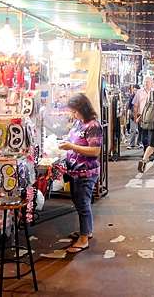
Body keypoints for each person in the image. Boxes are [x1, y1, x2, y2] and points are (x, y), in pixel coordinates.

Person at [59, 93, 102, 254]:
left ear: (83, 108)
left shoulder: (93, 126)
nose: (73, 114)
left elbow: (95, 150)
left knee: (83, 204)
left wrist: (72, 147)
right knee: (79, 203)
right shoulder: (79, 123)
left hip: (86, 172)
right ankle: (87, 231)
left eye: (75, 111)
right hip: (75, 170)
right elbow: (74, 140)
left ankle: (83, 239)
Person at [133, 76, 154, 151]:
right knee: (143, 134)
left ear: (151, 83)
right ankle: (146, 150)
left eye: (148, 82)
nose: (146, 83)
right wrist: (135, 118)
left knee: (151, 134)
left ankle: (150, 151)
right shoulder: (139, 92)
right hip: (141, 116)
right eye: (145, 82)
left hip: (152, 117)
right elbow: (135, 106)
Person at [126, 85, 140, 149]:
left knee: (141, 130)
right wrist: (128, 114)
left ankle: (139, 143)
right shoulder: (131, 97)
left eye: (136, 90)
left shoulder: (141, 96)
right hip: (133, 115)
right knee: (133, 130)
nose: (135, 91)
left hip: (140, 115)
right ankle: (132, 144)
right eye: (134, 90)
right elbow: (129, 107)